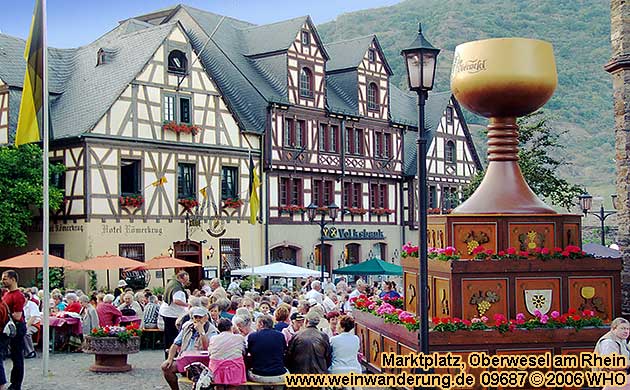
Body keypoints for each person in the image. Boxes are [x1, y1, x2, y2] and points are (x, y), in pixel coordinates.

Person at [161, 307, 211, 390]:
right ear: (192, 318)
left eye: (200, 317)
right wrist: (169, 359)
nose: (198, 320)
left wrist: (201, 332)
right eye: (196, 317)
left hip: (202, 362)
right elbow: (175, 344)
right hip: (185, 359)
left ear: (206, 318)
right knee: (165, 367)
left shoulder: (211, 330)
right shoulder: (187, 327)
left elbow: (207, 348)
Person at [286, 310, 332, 374]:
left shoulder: (297, 335)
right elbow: (328, 357)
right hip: (319, 374)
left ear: (306, 321)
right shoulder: (323, 336)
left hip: (299, 374)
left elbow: (289, 356)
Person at [2, 270, 26, 390]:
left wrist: (5, 312)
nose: (3, 281)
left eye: (5, 278)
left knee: (17, 357)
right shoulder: (7, 294)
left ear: (13, 279)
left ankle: (16, 384)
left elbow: (17, 315)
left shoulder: (18, 295)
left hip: (17, 328)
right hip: (8, 328)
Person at [246, 315, 288, 384]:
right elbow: (284, 350)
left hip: (258, 375)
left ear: (261, 324)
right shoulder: (280, 335)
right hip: (279, 374)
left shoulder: (253, 336)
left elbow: (249, 352)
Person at [208, 318, 247, 390]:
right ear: (231, 327)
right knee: (232, 387)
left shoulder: (213, 338)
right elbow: (244, 351)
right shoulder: (239, 337)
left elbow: (210, 353)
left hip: (216, 369)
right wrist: (237, 331)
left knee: (218, 386)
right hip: (235, 368)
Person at [159, 271, 190, 355]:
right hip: (172, 314)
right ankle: (172, 355)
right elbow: (176, 300)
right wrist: (187, 305)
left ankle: (168, 354)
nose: (187, 281)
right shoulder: (177, 287)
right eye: (185, 280)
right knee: (173, 336)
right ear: (180, 278)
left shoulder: (172, 283)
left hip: (167, 312)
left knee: (168, 335)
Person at [23, 291, 40, 359]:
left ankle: (30, 351)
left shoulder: (32, 305)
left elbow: (33, 317)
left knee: (25, 333)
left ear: (27, 298)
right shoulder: (19, 305)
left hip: (33, 324)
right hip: (22, 323)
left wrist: (25, 326)